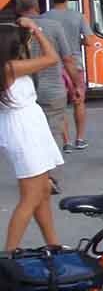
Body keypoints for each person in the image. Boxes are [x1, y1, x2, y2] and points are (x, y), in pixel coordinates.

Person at [0, 17, 64, 250]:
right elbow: (51, 58)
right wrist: (35, 30)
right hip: (24, 131)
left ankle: (53, 245)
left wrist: (26, 32)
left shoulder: (9, 65)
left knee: (43, 190)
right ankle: (7, 255)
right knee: (31, 196)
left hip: (27, 127)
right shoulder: (10, 68)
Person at [20, 0, 72, 168]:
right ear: (37, 6)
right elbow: (67, 59)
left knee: (29, 134)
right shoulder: (54, 26)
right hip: (52, 88)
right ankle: (49, 174)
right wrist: (76, 85)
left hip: (24, 92)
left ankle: (35, 170)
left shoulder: (12, 28)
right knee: (52, 132)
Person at [41, 0, 90, 152]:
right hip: (75, 64)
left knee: (60, 106)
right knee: (79, 101)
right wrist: (78, 41)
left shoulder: (44, 18)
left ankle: (66, 141)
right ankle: (80, 139)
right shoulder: (78, 16)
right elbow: (89, 41)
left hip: (54, 67)